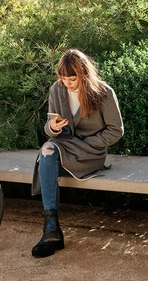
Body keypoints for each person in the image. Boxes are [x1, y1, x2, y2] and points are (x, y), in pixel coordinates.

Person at [31, 49, 124, 258]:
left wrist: (88, 143)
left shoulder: (103, 92)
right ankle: (51, 227)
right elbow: (48, 128)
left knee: (47, 156)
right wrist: (53, 127)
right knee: (46, 149)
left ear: (83, 73)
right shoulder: (56, 89)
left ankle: (51, 233)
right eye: (63, 78)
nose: (67, 83)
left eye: (71, 78)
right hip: (64, 147)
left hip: (91, 152)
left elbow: (116, 130)